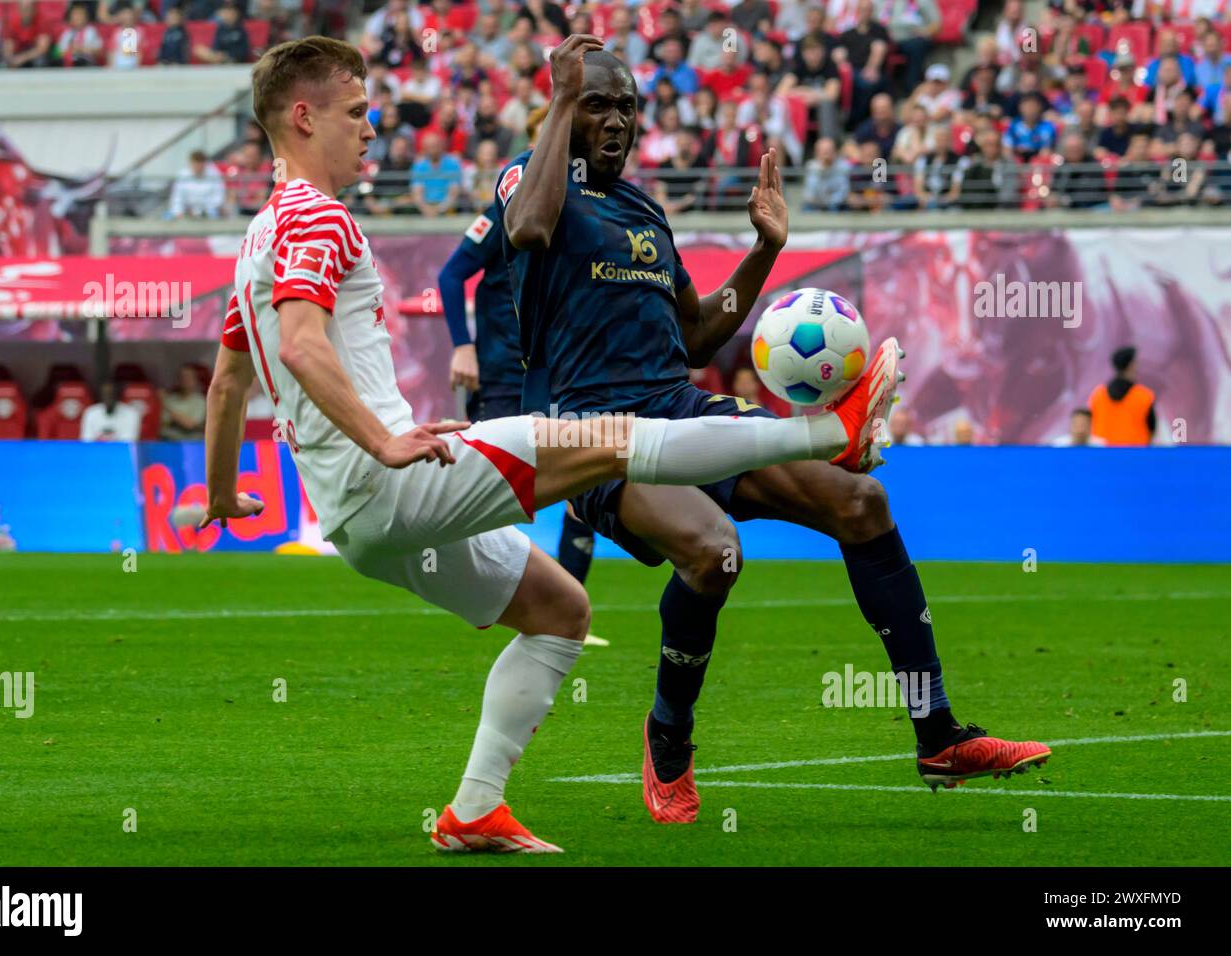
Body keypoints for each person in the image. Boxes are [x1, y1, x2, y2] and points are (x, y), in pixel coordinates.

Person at [205, 35, 894, 854]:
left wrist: (219, 496)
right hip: (391, 478)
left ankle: (473, 811)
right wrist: (385, 441)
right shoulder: (316, 214)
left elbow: (226, 382)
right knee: (606, 443)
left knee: (561, 611)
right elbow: (302, 346)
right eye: (356, 112)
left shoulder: (259, 235)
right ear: (302, 116)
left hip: (359, 520)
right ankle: (827, 432)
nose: (371, 127)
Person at [497, 42, 1049, 824]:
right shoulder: (532, 181)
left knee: (863, 504)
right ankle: (669, 736)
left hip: (676, 406)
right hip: (589, 434)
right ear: (562, 108)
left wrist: (765, 251)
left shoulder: (644, 210)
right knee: (714, 550)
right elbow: (526, 230)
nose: (615, 119)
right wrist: (560, 101)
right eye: (596, 104)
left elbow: (695, 336)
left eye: (626, 106)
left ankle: (938, 734)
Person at [438, 104, 605, 640]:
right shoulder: (509, 208)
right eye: (540, 139)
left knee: (586, 489)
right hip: (503, 376)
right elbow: (449, 276)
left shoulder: (581, 215)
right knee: (493, 491)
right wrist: (463, 347)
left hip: (562, 376)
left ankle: (567, 610)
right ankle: (493, 601)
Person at [1088, 346, 1156, 446]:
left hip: (1104, 456)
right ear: (1131, 365)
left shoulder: (1098, 395)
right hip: (1136, 455)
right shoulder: (1144, 396)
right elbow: (1152, 428)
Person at [160, 366, 207, 441]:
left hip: (191, 443)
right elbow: (163, 423)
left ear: (195, 381)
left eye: (189, 377)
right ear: (177, 380)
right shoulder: (170, 399)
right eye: (182, 377)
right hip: (168, 441)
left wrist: (165, 406)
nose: (185, 380)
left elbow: (190, 424)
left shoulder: (200, 401)